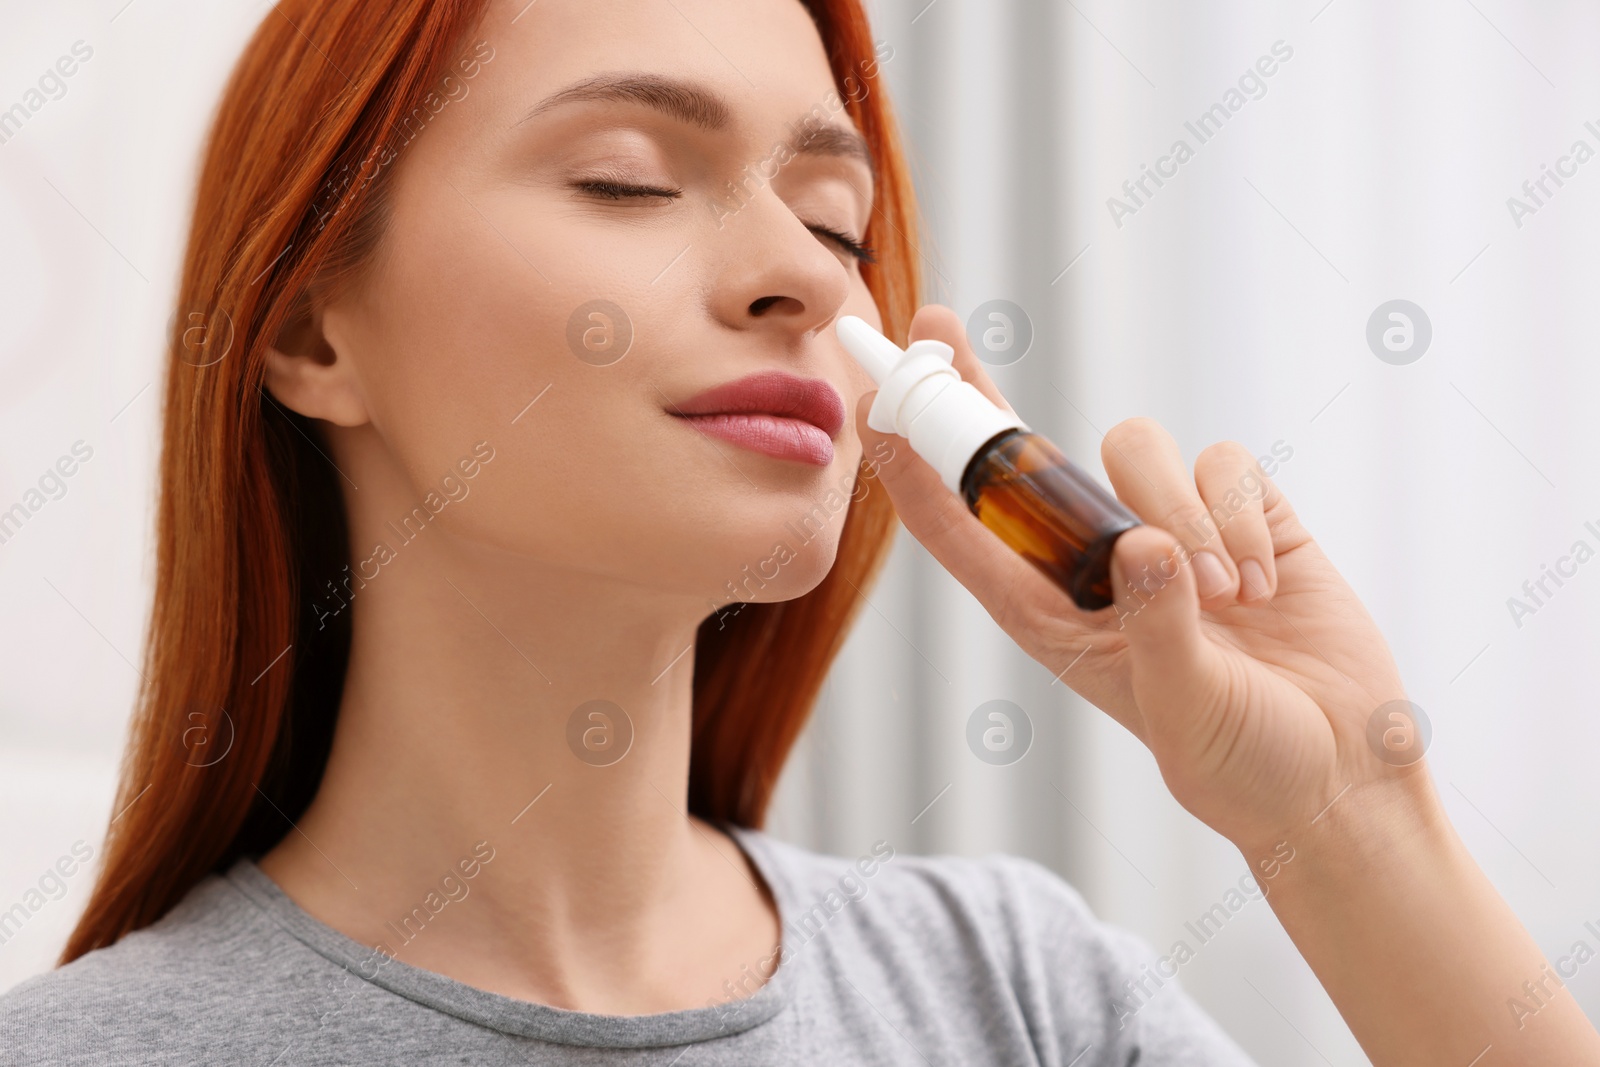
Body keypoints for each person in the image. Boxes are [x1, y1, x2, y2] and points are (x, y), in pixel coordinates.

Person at [4, 0, 1596, 1063]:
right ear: (310, 334)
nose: (815, 278)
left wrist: (1344, 822)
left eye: (836, 218)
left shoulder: (1015, 997)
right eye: (630, 181)